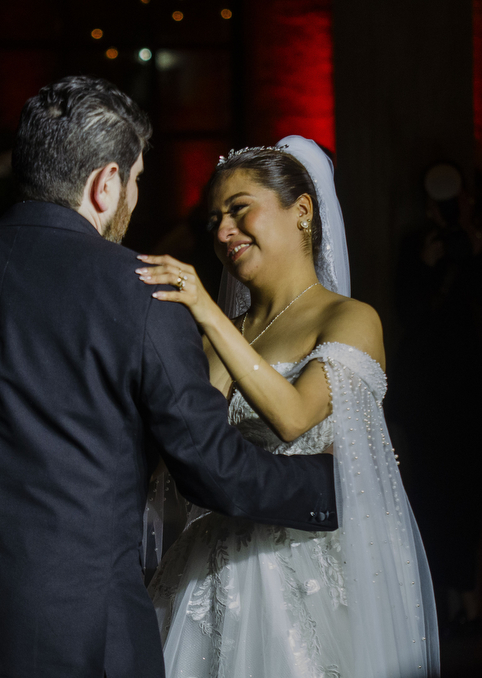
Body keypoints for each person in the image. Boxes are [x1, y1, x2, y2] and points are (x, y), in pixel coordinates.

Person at [0, 76, 338, 678]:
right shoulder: (145, 292)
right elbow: (214, 472)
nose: (134, 199)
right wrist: (335, 485)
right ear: (105, 183)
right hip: (81, 634)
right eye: (136, 180)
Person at [137, 137, 439, 677]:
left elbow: (295, 417)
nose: (223, 232)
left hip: (308, 563)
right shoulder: (220, 334)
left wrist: (208, 313)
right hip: (215, 563)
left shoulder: (348, 318)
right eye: (214, 220)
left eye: (239, 209)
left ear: (302, 210)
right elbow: (186, 452)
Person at [386, 164, 482, 634]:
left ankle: (467, 597)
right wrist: (430, 267)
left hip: (475, 394)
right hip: (428, 396)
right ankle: (443, 601)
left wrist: (478, 259)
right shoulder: (418, 246)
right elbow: (410, 314)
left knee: (468, 500)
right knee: (429, 498)